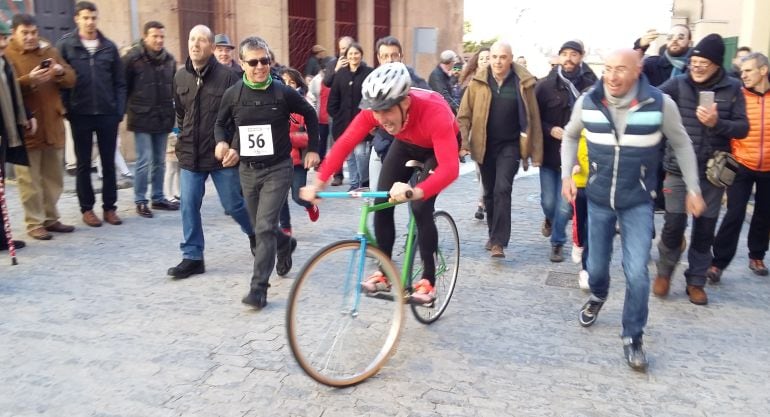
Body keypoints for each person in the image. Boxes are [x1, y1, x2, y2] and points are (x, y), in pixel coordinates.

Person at [561, 49, 705, 371]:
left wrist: (693, 188)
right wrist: (566, 174)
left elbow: (681, 143)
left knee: (637, 273)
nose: (612, 76)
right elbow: (570, 135)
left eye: (621, 69)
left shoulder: (659, 104)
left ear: (638, 70)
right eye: (608, 69)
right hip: (597, 200)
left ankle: (633, 336)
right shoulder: (587, 102)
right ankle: (598, 296)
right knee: (596, 269)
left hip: (638, 202)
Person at [300, 62, 459, 304]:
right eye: (376, 111)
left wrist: (415, 191)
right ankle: (384, 273)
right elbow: (345, 142)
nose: (381, 119)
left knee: (419, 207)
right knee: (381, 202)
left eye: (387, 111)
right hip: (406, 142)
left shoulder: (435, 112)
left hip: (436, 148)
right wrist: (319, 181)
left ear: (404, 102)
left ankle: (428, 280)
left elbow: (450, 168)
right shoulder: (375, 113)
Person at [214, 36, 320, 309]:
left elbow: (310, 114)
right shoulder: (234, 94)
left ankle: (258, 289)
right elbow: (220, 124)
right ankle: (284, 244)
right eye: (254, 62)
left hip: (278, 168)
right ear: (242, 63)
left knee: (263, 227)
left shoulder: (282, 92)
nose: (261, 67)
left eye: (265, 61)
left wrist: (313, 148)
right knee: (264, 227)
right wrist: (223, 142)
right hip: (248, 171)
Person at [653, 34, 749, 306]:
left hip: (712, 173)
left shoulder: (732, 89)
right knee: (673, 225)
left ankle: (696, 281)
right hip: (677, 169)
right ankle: (664, 272)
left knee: (705, 229)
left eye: (703, 62)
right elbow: (652, 96)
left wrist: (718, 123)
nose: (696, 66)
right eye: (693, 61)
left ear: (717, 64)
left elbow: (743, 128)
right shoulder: (678, 83)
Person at [167, 24, 255, 279]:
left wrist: (235, 147)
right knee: (188, 204)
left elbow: (243, 117)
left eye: (202, 40)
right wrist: (182, 136)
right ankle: (193, 256)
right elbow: (181, 113)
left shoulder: (229, 78)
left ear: (212, 47)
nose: (195, 44)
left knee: (234, 204)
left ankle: (255, 234)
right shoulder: (180, 76)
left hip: (220, 156)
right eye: (192, 39)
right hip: (190, 155)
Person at [457, 41, 543, 258]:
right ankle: (492, 233)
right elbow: (464, 115)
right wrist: (464, 144)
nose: (497, 61)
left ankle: (499, 242)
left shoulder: (523, 82)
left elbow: (534, 118)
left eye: (502, 57)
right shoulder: (478, 82)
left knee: (502, 189)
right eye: (494, 57)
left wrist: (537, 152)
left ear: (510, 58)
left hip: (511, 145)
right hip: (484, 145)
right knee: (489, 193)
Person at [6, 13, 76, 240]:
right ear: (14, 33)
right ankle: (34, 222)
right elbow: (5, 89)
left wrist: (59, 72)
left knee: (53, 177)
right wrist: (30, 80)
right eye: (24, 33)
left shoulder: (50, 52)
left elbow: (72, 79)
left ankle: (51, 218)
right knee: (29, 180)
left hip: (52, 123)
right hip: (27, 127)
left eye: (33, 32)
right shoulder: (7, 55)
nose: (30, 37)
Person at [57, 1, 126, 227]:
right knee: (84, 164)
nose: (90, 22)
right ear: (77, 18)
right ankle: (87, 209)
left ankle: (110, 208)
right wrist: (67, 107)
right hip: (80, 113)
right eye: (85, 18)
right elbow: (59, 80)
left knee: (108, 163)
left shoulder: (109, 47)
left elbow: (120, 82)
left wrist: (118, 110)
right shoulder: (66, 46)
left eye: (93, 18)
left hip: (107, 113)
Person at [709, 52, 770, 280]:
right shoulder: (739, 95)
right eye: (742, 71)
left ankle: (757, 256)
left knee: (764, 214)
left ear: (763, 71)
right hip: (741, 163)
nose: (743, 75)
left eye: (748, 71)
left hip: (769, 167)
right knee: (734, 214)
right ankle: (717, 263)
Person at [535, 40, 597, 262]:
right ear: (559, 57)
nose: (569, 58)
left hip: (576, 157)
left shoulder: (591, 85)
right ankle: (550, 220)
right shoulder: (544, 85)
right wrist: (550, 129)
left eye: (574, 54)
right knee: (548, 202)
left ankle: (557, 243)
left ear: (581, 57)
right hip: (550, 154)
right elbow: (535, 119)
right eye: (565, 54)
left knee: (564, 205)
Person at [122, 20, 178, 219]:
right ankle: (140, 200)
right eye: (155, 36)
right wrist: (123, 110)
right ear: (145, 37)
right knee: (144, 160)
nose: (159, 40)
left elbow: (174, 89)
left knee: (160, 161)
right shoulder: (132, 58)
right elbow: (123, 86)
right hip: (141, 115)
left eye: (162, 36)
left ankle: (158, 197)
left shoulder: (170, 60)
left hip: (163, 116)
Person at [368, 35, 430, 190]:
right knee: (377, 195)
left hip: (410, 147)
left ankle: (420, 214)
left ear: (401, 57)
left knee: (415, 198)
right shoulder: (373, 81)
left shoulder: (413, 81)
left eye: (394, 55)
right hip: (382, 144)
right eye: (385, 56)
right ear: (379, 58)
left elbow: (428, 106)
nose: (389, 60)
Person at [0, 20, 35, 252]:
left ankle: (3, 239)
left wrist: (27, 115)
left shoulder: (4, 63)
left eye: (4, 39)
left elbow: (12, 95)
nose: (3, 44)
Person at [277, 66, 321, 236]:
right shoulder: (274, 102)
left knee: (297, 195)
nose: (288, 85)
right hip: (278, 159)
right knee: (280, 197)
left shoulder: (303, 104)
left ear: (298, 84)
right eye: (284, 82)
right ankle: (286, 227)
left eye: (291, 82)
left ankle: (310, 205)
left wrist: (289, 138)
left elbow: (310, 135)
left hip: (297, 161)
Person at [327, 42, 373, 190]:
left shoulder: (368, 72)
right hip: (343, 122)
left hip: (362, 121)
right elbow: (334, 96)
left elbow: (371, 97)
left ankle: (364, 182)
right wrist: (334, 113)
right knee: (350, 155)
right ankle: (354, 184)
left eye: (356, 53)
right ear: (346, 56)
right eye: (350, 54)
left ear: (361, 55)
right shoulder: (340, 74)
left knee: (361, 153)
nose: (353, 56)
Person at [458, 47, 490, 221]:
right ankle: (484, 197)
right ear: (477, 61)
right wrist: (464, 140)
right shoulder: (471, 83)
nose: (485, 60)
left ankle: (481, 203)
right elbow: (464, 112)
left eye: (488, 58)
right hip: (476, 135)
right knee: (479, 172)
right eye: (482, 58)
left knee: (486, 173)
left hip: (495, 136)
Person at [429, 49, 461, 114]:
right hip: (437, 111)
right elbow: (443, 94)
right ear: (450, 62)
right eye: (454, 61)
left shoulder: (445, 74)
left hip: (442, 109)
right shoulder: (437, 74)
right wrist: (456, 108)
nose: (454, 64)